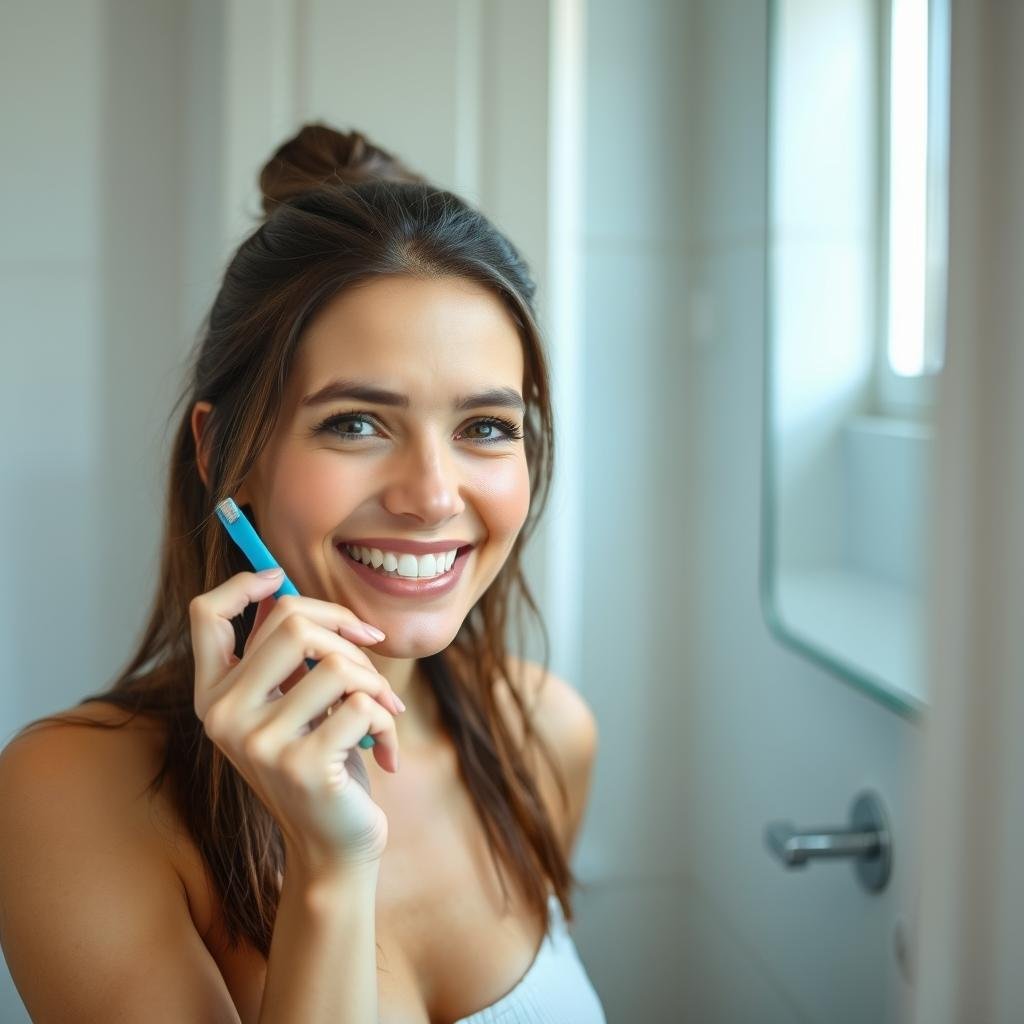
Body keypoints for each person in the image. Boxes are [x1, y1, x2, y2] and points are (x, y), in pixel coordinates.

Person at [0, 123, 606, 1023]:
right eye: (357, 423)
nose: (433, 496)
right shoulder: (71, 796)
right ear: (222, 452)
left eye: (486, 427)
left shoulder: (544, 735)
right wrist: (328, 872)